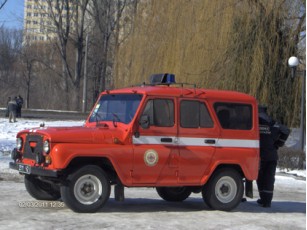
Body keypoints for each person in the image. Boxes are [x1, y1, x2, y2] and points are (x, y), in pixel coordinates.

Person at [256, 105, 289, 208]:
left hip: (259, 156)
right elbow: (286, 131)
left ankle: (263, 199)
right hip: (271, 156)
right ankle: (267, 201)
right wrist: (279, 143)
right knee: (269, 179)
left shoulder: (255, 122)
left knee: (260, 178)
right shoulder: (273, 123)